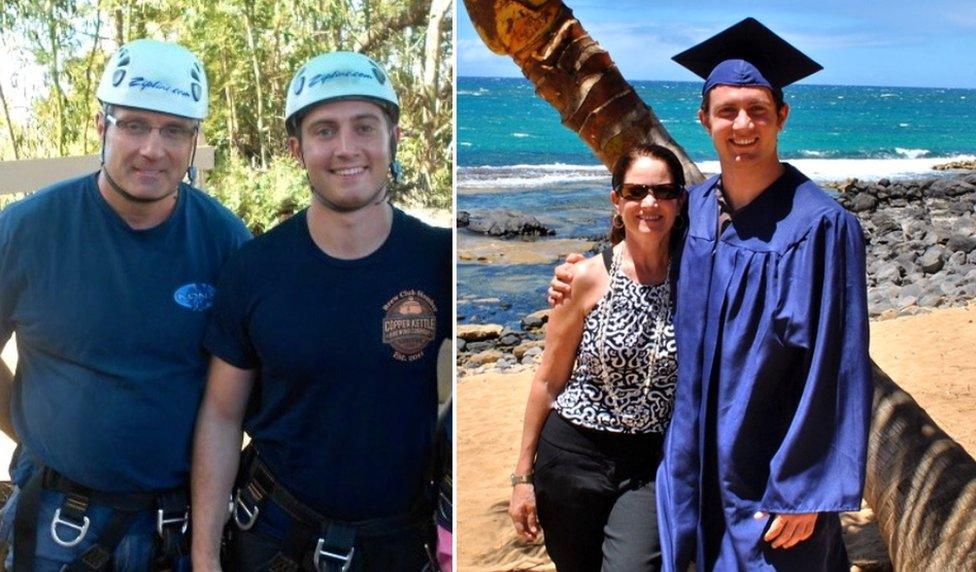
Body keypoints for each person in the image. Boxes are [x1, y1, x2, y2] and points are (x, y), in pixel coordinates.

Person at [550, 18, 872, 571]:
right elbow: (639, 254)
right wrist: (578, 272)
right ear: (704, 119)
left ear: (782, 117)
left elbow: (837, 367)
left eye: (758, 110)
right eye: (727, 111)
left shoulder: (822, 227)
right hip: (690, 467)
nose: (742, 124)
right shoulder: (693, 209)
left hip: (771, 475)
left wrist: (803, 487)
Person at [190, 51, 451, 572]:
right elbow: (221, 416)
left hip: (399, 543)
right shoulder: (252, 269)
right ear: (297, 148)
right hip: (275, 537)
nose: (346, 149)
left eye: (364, 127)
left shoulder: (439, 260)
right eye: (325, 131)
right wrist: (203, 559)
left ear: (393, 139)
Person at [0, 39, 251, 571]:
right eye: (134, 124)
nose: (152, 149)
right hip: (53, 524)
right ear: (101, 127)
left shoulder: (226, 242)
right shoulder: (27, 230)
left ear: (193, 139)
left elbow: (238, 397)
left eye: (174, 129)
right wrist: (36, 434)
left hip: (176, 532)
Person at [509, 144, 687, 571]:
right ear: (616, 200)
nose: (649, 203)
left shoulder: (696, 276)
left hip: (648, 462)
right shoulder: (586, 278)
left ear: (680, 201)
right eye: (635, 191)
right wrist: (521, 478)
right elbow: (549, 380)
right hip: (572, 456)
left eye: (663, 192)